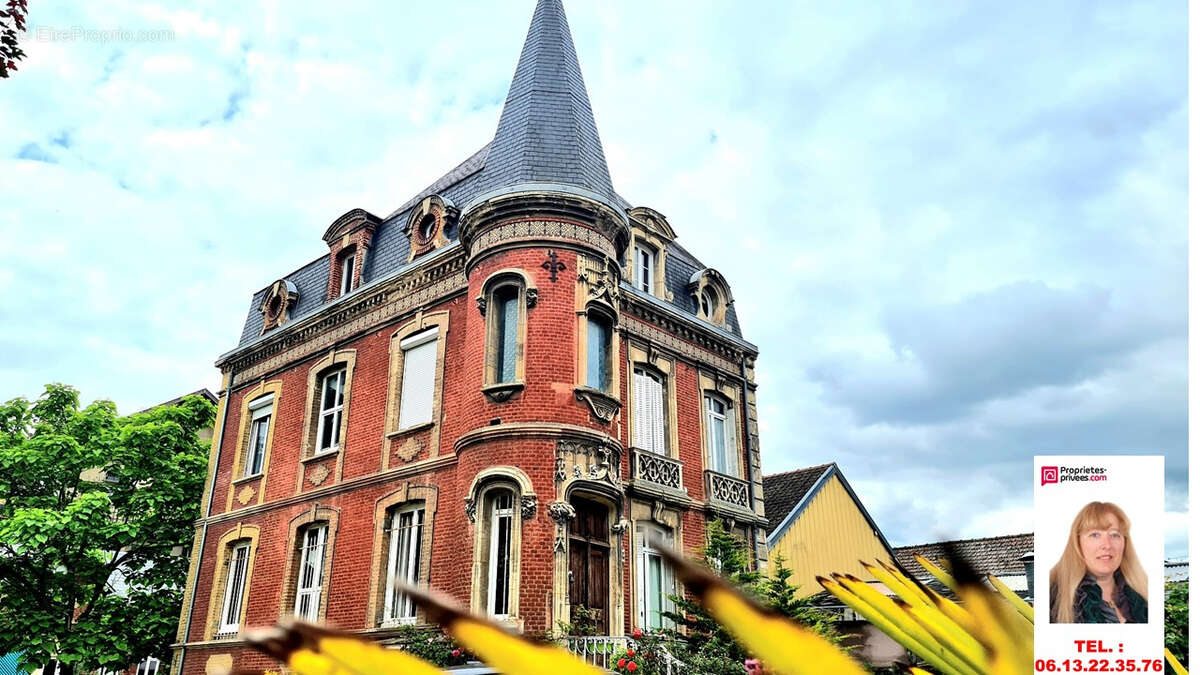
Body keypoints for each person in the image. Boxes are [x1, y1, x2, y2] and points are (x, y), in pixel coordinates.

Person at [1048, 501, 1148, 623]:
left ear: (1125, 543)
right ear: (1077, 543)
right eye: (1095, 535)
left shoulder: (1144, 595)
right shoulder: (1052, 600)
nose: (1107, 545)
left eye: (1115, 535)